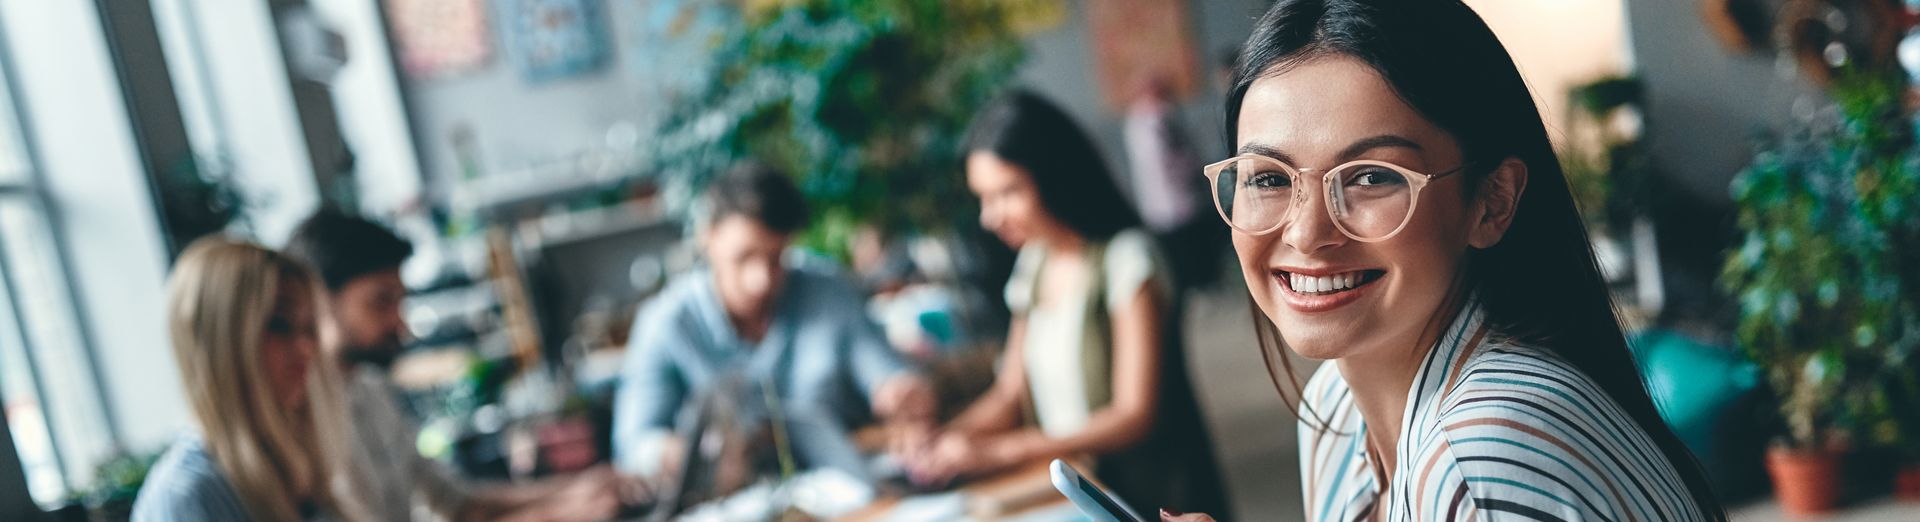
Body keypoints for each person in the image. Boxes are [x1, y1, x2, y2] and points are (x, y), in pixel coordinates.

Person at [1163, 1, 1725, 520]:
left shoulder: (1484, 455)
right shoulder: (1334, 409)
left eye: (1371, 177)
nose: (1308, 233)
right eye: (1267, 177)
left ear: (1492, 200)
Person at [898, 90, 1227, 515]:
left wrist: (1000, 452)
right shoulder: (1034, 262)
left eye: (1007, 192)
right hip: (1075, 489)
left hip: (1145, 499)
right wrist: (942, 440)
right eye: (983, 197)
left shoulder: (1128, 258)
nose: (989, 216)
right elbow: (1010, 392)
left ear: (1054, 176)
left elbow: (1133, 413)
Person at [283, 210, 623, 521]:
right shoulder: (303, 421)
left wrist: (576, 489)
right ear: (318, 300)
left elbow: (456, 502)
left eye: (400, 302)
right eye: (380, 301)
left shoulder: (372, 389)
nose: (400, 325)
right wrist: (558, 514)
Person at [613, 163, 935, 481]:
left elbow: (883, 371)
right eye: (744, 257)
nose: (761, 281)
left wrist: (899, 392)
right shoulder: (665, 324)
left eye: (775, 258)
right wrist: (676, 455)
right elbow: (634, 444)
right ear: (707, 236)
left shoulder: (826, 290)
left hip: (845, 492)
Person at [133, 238, 374, 521]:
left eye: (309, 329)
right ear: (221, 341)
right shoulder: (191, 497)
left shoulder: (289, 464)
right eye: (279, 325)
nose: (305, 348)